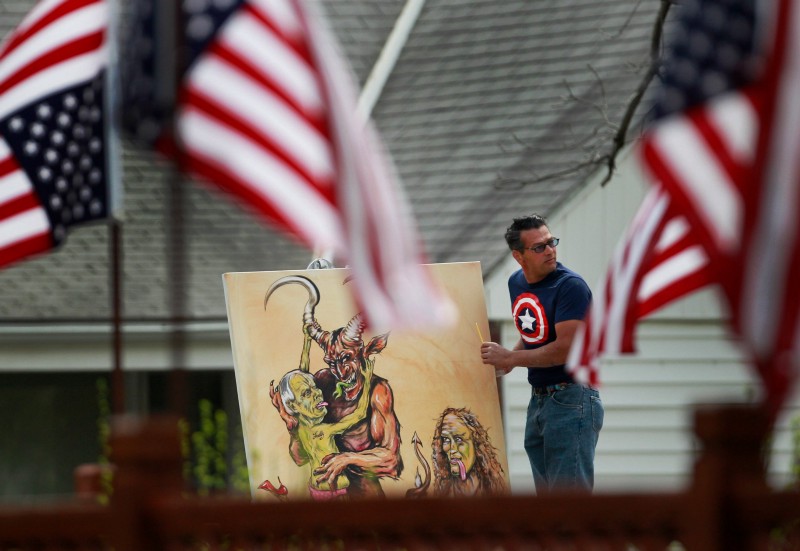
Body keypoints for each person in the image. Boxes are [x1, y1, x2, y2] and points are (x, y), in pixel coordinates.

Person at [480, 214, 603, 494]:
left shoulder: (570, 286)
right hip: (540, 400)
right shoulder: (516, 284)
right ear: (518, 256)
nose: (550, 250)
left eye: (551, 242)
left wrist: (511, 359)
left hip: (573, 398)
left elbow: (567, 348)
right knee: (548, 501)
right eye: (539, 247)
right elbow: (536, 333)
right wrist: (511, 357)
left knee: (568, 501)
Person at [270, 330, 375, 500]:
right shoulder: (324, 431)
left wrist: (306, 341)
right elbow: (360, 413)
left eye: (315, 387)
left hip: (316, 490)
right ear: (294, 405)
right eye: (307, 394)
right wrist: (367, 379)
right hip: (334, 494)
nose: (317, 393)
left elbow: (303, 373)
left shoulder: (300, 426)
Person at [431, 407, 507, 497]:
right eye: (446, 439)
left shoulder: (492, 488)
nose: (452, 448)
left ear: (476, 444)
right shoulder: (444, 491)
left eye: (458, 439)